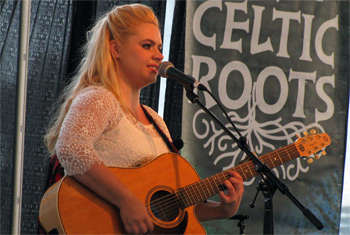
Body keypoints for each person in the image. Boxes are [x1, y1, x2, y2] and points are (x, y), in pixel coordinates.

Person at [44, 3, 244, 234]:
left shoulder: (156, 121)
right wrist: (126, 201)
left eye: (159, 47)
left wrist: (221, 210)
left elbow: (169, 210)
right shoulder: (99, 99)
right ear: (115, 49)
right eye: (147, 46)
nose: (159, 55)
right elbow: (71, 148)